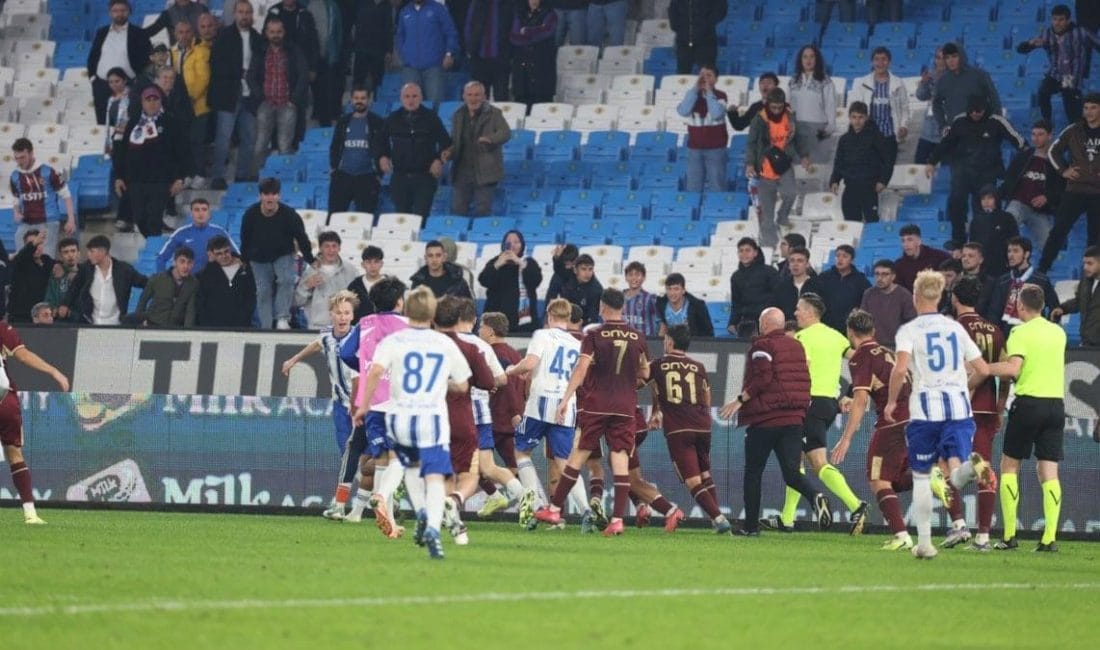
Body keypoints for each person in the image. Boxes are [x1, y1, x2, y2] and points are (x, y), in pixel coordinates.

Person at [351, 286, 472, 560]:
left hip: (400, 417)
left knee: (408, 465)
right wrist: (443, 384)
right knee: (435, 476)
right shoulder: (443, 343)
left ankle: (420, 513)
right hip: (432, 418)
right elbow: (463, 385)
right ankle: (432, 529)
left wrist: (364, 406)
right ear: (432, 312)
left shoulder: (394, 341)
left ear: (407, 309)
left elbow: (375, 372)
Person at [885, 270, 994, 559]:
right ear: (940, 296)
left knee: (922, 477)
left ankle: (925, 544)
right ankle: (971, 468)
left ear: (915, 296)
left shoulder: (909, 331)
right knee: (954, 472)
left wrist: (891, 401)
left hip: (926, 410)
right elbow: (983, 369)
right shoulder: (955, 328)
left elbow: (900, 369)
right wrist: (961, 386)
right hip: (959, 408)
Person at [534, 289, 650, 536]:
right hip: (625, 407)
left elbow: (581, 369)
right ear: (622, 307)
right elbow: (645, 373)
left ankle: (554, 509)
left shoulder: (594, 335)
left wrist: (566, 399)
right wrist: (627, 381)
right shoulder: (638, 336)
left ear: (602, 307)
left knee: (578, 456)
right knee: (620, 460)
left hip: (598, 405)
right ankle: (617, 520)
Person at [720, 307, 831, 536]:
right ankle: (815, 496)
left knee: (753, 473)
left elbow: (763, 378)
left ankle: (751, 528)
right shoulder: (797, 346)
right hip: (794, 419)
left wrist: (740, 400)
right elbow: (805, 378)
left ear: (764, 324)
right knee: (791, 472)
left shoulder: (762, 346)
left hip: (765, 419)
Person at [768, 294, 867, 534]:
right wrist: (850, 393)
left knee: (818, 462)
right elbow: (862, 362)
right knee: (796, 458)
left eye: (799, 309)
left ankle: (856, 505)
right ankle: (787, 518)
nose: (795, 313)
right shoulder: (836, 336)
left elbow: (804, 370)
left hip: (809, 403)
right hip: (828, 405)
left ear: (810, 312)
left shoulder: (802, 338)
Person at [987, 284, 1067, 552]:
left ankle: (1009, 537)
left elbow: (1013, 369)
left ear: (1020, 305)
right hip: (1056, 406)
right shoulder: (1058, 332)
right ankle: (1049, 540)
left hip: (1029, 404)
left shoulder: (1019, 332)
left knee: (1009, 467)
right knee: (1049, 472)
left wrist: (983, 367)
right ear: (1042, 305)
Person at [829, 309, 916, 550]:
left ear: (850, 333)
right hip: (914, 420)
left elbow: (860, 401)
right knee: (893, 480)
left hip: (892, 422)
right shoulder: (888, 353)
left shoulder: (860, 357)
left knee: (878, 479)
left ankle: (902, 536)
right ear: (873, 331)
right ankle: (928, 478)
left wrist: (846, 438)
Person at [501, 298, 579, 528]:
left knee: (521, 451)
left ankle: (534, 503)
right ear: (569, 318)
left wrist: (511, 370)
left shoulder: (542, 335)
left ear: (549, 316)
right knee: (565, 463)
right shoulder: (577, 343)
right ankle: (586, 510)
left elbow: (529, 363)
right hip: (565, 406)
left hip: (540, 404)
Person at [282, 290, 359, 519]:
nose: (343, 317)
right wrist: (293, 360)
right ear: (331, 315)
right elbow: (317, 344)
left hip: (360, 406)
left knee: (365, 456)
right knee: (347, 454)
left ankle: (380, 495)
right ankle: (344, 503)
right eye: (339, 312)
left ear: (353, 315)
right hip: (340, 406)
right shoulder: (327, 336)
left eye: (347, 313)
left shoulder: (359, 337)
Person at [944, 276, 1008, 550]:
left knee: (942, 466)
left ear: (954, 298)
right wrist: (1000, 406)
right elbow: (1005, 372)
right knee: (984, 469)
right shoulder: (995, 330)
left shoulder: (954, 328)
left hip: (960, 408)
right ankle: (983, 536)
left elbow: (963, 367)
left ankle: (959, 525)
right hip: (987, 408)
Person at [646, 325, 730, 532]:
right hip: (703, 426)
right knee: (705, 473)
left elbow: (640, 378)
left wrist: (656, 410)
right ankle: (716, 517)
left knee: (693, 480)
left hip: (679, 429)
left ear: (670, 342)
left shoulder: (658, 365)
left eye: (665, 340)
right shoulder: (698, 366)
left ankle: (719, 519)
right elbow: (707, 396)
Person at [340, 277, 408, 534]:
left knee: (380, 458)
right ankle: (385, 505)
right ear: (399, 301)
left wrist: (365, 367)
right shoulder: (409, 326)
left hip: (373, 402)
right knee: (400, 458)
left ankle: (388, 519)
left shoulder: (365, 323)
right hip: (400, 401)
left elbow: (346, 353)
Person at [433, 297, 499, 545]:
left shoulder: (424, 346)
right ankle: (456, 501)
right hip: (461, 419)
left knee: (444, 474)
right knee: (470, 474)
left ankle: (454, 525)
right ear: (459, 319)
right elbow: (488, 382)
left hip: (432, 420)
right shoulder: (470, 348)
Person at [927, 94, 1027, 243]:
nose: (975, 114)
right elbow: (945, 143)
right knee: (956, 203)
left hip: (987, 173)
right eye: (972, 111)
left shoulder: (997, 121)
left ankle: (984, 243)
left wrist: (1029, 156)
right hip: (962, 172)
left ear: (985, 109)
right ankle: (958, 240)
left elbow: (1018, 141)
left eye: (978, 111)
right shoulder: (959, 121)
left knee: (984, 209)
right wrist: (932, 162)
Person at [0, 320, 71, 524]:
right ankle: (30, 513)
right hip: (4, 398)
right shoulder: (2, 328)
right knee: (14, 453)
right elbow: (22, 355)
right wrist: (54, 371)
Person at [239, 177, 315, 329]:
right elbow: (244, 238)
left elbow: (301, 237)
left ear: (279, 196)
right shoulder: (250, 214)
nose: (270, 198)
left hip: (283, 253)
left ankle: (282, 318)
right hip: (258, 257)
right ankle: (266, 325)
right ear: (260, 196)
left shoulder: (289, 214)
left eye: (273, 194)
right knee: (263, 291)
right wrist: (245, 260)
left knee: (286, 280)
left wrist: (310, 258)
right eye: (266, 194)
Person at [473, 312, 528, 517]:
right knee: (514, 468)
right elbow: (524, 383)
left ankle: (495, 495)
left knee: (470, 463)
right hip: (510, 419)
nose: (479, 330)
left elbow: (507, 385)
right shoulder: (514, 353)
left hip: (495, 418)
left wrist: (513, 412)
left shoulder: (492, 353)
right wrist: (519, 410)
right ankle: (531, 505)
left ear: (491, 332)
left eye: (481, 327)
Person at [114, 86, 188, 237]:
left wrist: (180, 178)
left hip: (160, 180)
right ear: (142, 102)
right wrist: (119, 176)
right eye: (148, 100)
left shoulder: (170, 122)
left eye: (155, 99)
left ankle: (154, 247)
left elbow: (181, 152)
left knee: (154, 219)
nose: (152, 103)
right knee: (139, 218)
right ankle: (152, 244)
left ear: (161, 102)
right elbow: (122, 151)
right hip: (135, 180)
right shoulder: (133, 122)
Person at [1038, 93, 1100, 273]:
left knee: (1095, 237)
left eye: (1093, 108)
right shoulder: (1073, 130)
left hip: (1098, 193)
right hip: (1075, 189)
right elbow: (1053, 151)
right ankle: (1042, 270)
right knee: (1058, 231)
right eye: (1086, 108)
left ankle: (1092, 276)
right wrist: (1063, 171)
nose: (1089, 112)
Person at [209, 0, 263, 188]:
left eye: (248, 12)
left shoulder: (257, 37)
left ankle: (242, 176)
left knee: (249, 138)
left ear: (252, 15)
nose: (244, 15)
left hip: (251, 95)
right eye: (241, 12)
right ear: (234, 14)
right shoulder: (224, 36)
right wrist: (239, 72)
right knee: (223, 138)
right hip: (228, 94)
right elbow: (216, 64)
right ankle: (218, 177)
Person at [1017, 4, 1100, 125]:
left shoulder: (1081, 32)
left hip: (1071, 77)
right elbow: (1021, 49)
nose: (1057, 23)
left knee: (1072, 109)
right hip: (1055, 75)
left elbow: (1097, 43)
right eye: (1055, 19)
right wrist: (1030, 44)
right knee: (1043, 92)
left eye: (1061, 20)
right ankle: (1047, 123)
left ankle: (1077, 128)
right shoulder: (1047, 33)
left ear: (1068, 20)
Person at [746, 88, 808, 248]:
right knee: (767, 216)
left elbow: (799, 138)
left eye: (779, 107)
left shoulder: (790, 117)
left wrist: (804, 155)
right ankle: (769, 245)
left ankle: (782, 217)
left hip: (784, 164)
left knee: (791, 193)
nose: (776, 111)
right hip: (765, 169)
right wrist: (750, 163)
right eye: (773, 107)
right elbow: (751, 143)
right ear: (768, 105)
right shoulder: (759, 119)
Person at [380, 83, 453, 217]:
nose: (411, 100)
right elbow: (380, 141)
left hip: (425, 177)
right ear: (401, 98)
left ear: (421, 98)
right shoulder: (392, 118)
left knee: (421, 217)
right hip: (400, 177)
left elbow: (446, 143)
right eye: (407, 96)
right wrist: (383, 156)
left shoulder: (431, 118)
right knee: (402, 219)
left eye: (414, 96)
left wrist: (438, 160)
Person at [249, 17, 310, 176]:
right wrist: (260, 98)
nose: (276, 35)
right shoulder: (260, 51)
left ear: (284, 32)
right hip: (266, 103)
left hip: (287, 104)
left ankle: (284, 180)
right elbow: (251, 76)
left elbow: (303, 75)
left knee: (285, 146)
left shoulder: (294, 50)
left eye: (279, 32)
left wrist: (294, 100)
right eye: (272, 32)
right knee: (260, 144)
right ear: (266, 33)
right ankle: (255, 180)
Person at [1000, 119, 1065, 252]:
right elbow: (1008, 180)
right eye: (1033, 134)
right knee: (1003, 228)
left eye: (1040, 134)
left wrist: (1048, 197)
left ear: (1050, 135)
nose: (1036, 138)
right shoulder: (1023, 156)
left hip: (1040, 211)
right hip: (1018, 203)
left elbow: (1063, 189)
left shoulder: (1058, 161)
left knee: (1048, 247)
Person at [449, 81, 512, 216]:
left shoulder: (494, 113)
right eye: (470, 95)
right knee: (458, 210)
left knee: (483, 210)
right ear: (464, 96)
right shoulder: (458, 115)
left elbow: (505, 133)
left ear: (484, 96)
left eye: (477, 95)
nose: (473, 98)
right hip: (461, 171)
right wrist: (448, 153)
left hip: (486, 171)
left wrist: (490, 138)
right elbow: (454, 140)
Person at [88, 0, 152, 125]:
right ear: (110, 13)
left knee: (129, 124)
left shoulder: (138, 33)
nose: (119, 14)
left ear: (129, 12)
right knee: (103, 123)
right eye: (115, 11)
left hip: (129, 85)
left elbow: (145, 59)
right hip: (102, 85)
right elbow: (93, 57)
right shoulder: (101, 32)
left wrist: (137, 80)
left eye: (123, 10)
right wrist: (93, 78)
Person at [60, 235, 147, 325]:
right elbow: (74, 287)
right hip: (89, 323)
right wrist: (65, 304)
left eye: (92, 251)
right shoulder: (86, 268)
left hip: (116, 325)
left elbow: (145, 283)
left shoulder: (124, 270)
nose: (88, 254)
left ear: (102, 252)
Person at [9, 139, 76, 255]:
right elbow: (16, 198)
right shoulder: (15, 176)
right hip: (26, 222)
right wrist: (16, 212)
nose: (19, 161)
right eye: (17, 158)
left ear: (31, 153)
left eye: (23, 157)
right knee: (21, 256)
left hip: (48, 221)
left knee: (45, 257)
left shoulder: (48, 172)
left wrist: (71, 219)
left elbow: (66, 195)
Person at [849, 46, 909, 174]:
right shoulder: (862, 83)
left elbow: (904, 109)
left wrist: (904, 126)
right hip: (868, 136)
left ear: (889, 62)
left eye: (884, 59)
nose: (880, 63)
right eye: (876, 59)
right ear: (872, 62)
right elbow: (854, 109)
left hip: (889, 136)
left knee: (887, 173)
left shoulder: (899, 83)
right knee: (868, 172)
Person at [328, 85, 386, 215]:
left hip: (368, 177)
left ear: (369, 100)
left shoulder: (378, 122)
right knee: (334, 218)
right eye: (356, 98)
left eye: (363, 98)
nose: (359, 101)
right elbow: (335, 146)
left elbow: (384, 148)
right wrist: (334, 168)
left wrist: (379, 174)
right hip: (343, 176)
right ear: (351, 100)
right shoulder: (343, 121)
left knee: (365, 219)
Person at [829, 101, 890, 223]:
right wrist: (834, 180)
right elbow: (839, 162)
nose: (857, 121)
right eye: (854, 117)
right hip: (850, 188)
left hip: (869, 188)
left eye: (860, 117)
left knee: (872, 223)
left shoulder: (876, 137)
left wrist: (883, 180)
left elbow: (887, 160)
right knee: (851, 225)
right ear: (849, 117)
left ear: (866, 118)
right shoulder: (844, 140)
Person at [169, 20, 212, 188]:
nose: (184, 35)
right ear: (175, 34)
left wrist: (190, 97)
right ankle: (187, 173)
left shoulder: (201, 51)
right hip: (178, 107)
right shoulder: (171, 53)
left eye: (187, 32)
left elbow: (204, 78)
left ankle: (200, 174)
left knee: (196, 141)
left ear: (193, 33)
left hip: (197, 105)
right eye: (180, 32)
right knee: (183, 142)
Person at [985, 236, 1060, 332]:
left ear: (1026, 254)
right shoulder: (1003, 281)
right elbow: (994, 313)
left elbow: (1054, 308)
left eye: (1016, 251)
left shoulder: (1041, 280)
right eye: (1009, 251)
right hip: (1008, 336)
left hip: (1034, 334)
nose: (1010, 255)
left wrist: (1046, 330)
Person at [932, 43, 1003, 144]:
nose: (951, 61)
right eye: (947, 57)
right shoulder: (942, 80)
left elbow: (994, 101)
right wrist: (942, 126)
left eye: (954, 56)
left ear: (962, 56)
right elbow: (936, 104)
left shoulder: (980, 75)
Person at [395, 0, 459, 106]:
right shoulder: (405, 11)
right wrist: (404, 54)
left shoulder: (438, 9)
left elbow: (450, 32)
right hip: (410, 68)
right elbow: (400, 35)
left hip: (434, 67)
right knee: (410, 105)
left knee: (435, 104)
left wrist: (449, 53)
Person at [677, 65, 729, 193]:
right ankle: (694, 206)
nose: (704, 78)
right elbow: (683, 111)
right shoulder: (692, 95)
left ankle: (716, 206)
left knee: (717, 185)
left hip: (716, 148)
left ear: (716, 79)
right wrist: (695, 89)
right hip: (694, 148)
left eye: (708, 75)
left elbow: (716, 114)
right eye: (702, 75)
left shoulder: (721, 95)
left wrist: (709, 93)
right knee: (693, 187)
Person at [479, 230, 541, 333]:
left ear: (522, 245)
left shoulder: (528, 262)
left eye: (516, 242)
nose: (512, 245)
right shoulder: (495, 261)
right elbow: (483, 280)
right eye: (508, 242)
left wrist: (519, 262)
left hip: (523, 324)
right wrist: (497, 264)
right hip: (496, 322)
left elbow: (536, 280)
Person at [295, 231, 360, 329]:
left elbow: (358, 300)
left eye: (334, 246)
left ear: (339, 248)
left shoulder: (351, 270)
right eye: (327, 246)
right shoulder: (310, 271)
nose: (331, 250)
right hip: (316, 328)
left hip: (343, 326)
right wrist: (307, 286)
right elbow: (298, 302)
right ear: (320, 248)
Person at [157, 198, 238, 273]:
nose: (200, 213)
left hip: (213, 280)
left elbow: (237, 257)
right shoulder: (181, 233)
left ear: (209, 214)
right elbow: (161, 258)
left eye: (204, 209)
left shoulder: (220, 232)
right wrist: (162, 279)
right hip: (189, 281)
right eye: (196, 210)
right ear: (191, 214)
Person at [789, 45, 837, 164]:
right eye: (805, 57)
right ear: (800, 60)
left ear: (817, 59)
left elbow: (830, 107)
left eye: (812, 56)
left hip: (817, 132)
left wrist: (827, 131)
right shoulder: (793, 81)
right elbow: (788, 107)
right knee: (797, 169)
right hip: (796, 132)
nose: (808, 60)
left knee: (816, 169)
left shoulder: (826, 81)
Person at [196, 236, 257, 327]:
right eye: (219, 254)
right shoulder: (206, 274)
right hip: (214, 327)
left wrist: (244, 317)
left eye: (226, 251)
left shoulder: (246, 269)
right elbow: (201, 301)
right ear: (212, 255)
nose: (224, 256)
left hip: (241, 326)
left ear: (230, 249)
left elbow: (251, 295)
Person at [132, 247, 198, 327]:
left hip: (175, 328)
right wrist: (139, 323)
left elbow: (190, 311)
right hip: (153, 325)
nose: (186, 266)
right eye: (182, 262)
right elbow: (143, 300)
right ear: (174, 262)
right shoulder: (157, 279)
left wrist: (187, 331)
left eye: (189, 262)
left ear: (193, 264)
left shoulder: (193, 284)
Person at [727, 237, 779, 338]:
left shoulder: (770, 272)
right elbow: (736, 303)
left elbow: (778, 297)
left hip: (767, 322)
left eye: (747, 250)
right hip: (746, 324)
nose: (744, 254)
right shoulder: (736, 276)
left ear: (755, 253)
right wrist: (732, 322)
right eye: (741, 251)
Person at [510, 0, 558, 108]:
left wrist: (527, 31)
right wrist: (537, 31)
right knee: (522, 106)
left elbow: (547, 31)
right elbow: (514, 37)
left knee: (542, 107)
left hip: (543, 70)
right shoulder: (518, 14)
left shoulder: (550, 14)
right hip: (522, 73)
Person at [464, 0, 515, 101]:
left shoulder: (509, 3)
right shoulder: (477, 3)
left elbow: (513, 27)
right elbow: (468, 26)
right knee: (480, 99)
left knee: (501, 98)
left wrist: (510, 53)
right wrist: (470, 48)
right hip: (480, 58)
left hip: (501, 59)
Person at [859, 259, 917, 349]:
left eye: (885, 274)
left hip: (897, 346)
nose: (880, 278)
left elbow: (911, 323)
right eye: (877, 274)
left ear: (893, 276)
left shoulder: (904, 295)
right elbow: (862, 320)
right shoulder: (869, 294)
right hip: (873, 346)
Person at [306, 0, 345, 128]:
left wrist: (335, 52)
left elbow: (338, 31)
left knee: (325, 91)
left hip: (326, 56)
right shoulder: (305, 5)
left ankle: (325, 126)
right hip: (307, 57)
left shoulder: (332, 6)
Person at [1051, 245, 1100, 345]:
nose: (1085, 267)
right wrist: (1063, 309)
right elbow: (1079, 301)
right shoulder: (1086, 281)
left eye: (1090, 263)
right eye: (1084, 263)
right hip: (1087, 341)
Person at [968, 185, 1020, 278]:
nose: (986, 202)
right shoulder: (975, 221)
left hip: (1003, 267)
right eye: (983, 199)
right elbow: (973, 245)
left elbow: (1015, 241)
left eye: (990, 198)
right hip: (982, 268)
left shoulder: (1007, 218)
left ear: (996, 199)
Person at [818, 244, 871, 334]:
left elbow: (866, 303)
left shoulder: (861, 280)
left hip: (848, 328)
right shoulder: (824, 277)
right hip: (825, 326)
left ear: (852, 260)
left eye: (845, 256)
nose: (840, 259)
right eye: (837, 256)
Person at [668, 0, 725, 74]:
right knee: (682, 74)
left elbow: (720, 8)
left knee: (707, 72)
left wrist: (706, 25)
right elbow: (673, 10)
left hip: (706, 40)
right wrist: (678, 27)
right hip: (683, 41)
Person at [9, 231, 54, 323]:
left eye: (39, 244)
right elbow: (20, 257)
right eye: (33, 244)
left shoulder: (47, 260)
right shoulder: (20, 261)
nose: (36, 247)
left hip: (42, 316)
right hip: (20, 316)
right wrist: (34, 243)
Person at [893, 224, 952, 292]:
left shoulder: (940, 256)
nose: (906, 244)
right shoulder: (898, 265)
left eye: (910, 240)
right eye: (903, 241)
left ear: (919, 241)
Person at [913, 46, 946, 165]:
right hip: (928, 131)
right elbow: (921, 96)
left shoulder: (956, 78)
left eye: (944, 58)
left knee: (946, 169)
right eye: (938, 58)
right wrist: (924, 83)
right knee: (919, 166)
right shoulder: (930, 75)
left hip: (947, 132)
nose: (940, 61)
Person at [352, 0, 394, 91]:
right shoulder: (361, 3)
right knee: (358, 84)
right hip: (361, 50)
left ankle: (376, 99)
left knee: (378, 85)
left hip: (379, 52)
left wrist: (389, 50)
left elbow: (388, 29)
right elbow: (353, 21)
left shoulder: (386, 6)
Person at [656, 273, 714, 337]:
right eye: (669, 289)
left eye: (676, 289)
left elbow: (708, 332)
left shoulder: (697, 306)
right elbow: (663, 328)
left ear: (683, 290)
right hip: (670, 342)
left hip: (693, 342)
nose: (672, 293)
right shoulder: (661, 304)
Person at [775, 247, 821, 320]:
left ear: (807, 264)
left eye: (800, 261)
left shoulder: (817, 286)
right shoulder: (781, 287)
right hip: (788, 326)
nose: (795, 264)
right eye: (792, 261)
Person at [561, 253, 602, 325]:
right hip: (567, 322)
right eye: (583, 269)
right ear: (575, 270)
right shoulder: (567, 282)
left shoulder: (596, 290)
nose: (587, 273)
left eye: (590, 269)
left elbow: (593, 317)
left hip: (587, 325)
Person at [44, 237, 81, 318]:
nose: (70, 255)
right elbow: (49, 299)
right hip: (59, 320)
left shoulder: (86, 273)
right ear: (60, 256)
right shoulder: (55, 274)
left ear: (78, 253)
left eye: (73, 251)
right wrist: (53, 309)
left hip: (79, 320)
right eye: (66, 252)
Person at [621, 261, 659, 337]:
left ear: (644, 278)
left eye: (637, 275)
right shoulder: (619, 298)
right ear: (626, 278)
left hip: (645, 341)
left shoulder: (649, 298)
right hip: (624, 341)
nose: (634, 278)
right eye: (630, 275)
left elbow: (658, 321)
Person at [347, 245, 385, 320]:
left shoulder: (392, 285)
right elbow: (348, 311)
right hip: (361, 326)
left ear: (381, 264)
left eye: (376, 262)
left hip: (387, 326)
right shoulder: (354, 287)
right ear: (363, 264)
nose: (373, 266)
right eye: (368, 262)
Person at [959, 241, 996, 316]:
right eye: (963, 256)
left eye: (970, 256)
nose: (965, 259)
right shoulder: (956, 280)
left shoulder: (990, 283)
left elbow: (993, 311)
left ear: (981, 260)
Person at [144, 0, 209, 42]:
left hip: (203, 54)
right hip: (178, 57)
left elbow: (213, 32)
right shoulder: (167, 14)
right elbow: (150, 31)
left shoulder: (202, 9)